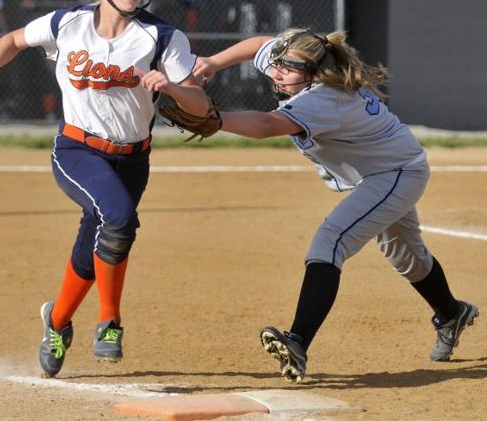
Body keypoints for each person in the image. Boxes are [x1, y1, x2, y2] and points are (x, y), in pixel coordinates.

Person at [0, 0, 209, 378]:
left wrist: (171, 87)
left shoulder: (162, 39)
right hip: (76, 149)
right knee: (119, 219)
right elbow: (11, 40)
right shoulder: (65, 24)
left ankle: (56, 321)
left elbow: (202, 105)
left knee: (97, 242)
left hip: (133, 158)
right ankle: (109, 321)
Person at [192, 28, 479, 383]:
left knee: (331, 241)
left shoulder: (324, 98)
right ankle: (452, 313)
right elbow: (257, 46)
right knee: (405, 255)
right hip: (389, 166)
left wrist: (215, 118)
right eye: (277, 64)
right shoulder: (301, 66)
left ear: (314, 74)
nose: (277, 72)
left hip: (395, 172)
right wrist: (213, 62)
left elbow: (267, 124)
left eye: (288, 68)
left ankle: (297, 341)